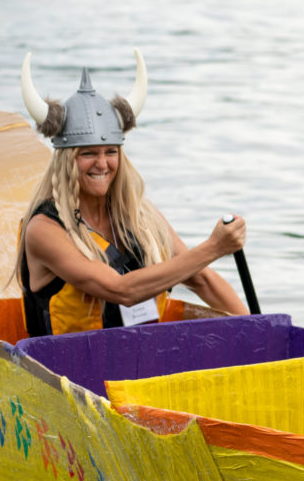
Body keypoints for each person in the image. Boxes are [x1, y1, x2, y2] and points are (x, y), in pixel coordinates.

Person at [13, 50, 248, 337]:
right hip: (65, 369)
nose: (102, 164)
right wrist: (214, 247)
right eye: (88, 154)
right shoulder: (44, 229)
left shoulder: (141, 215)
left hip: (140, 358)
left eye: (110, 152)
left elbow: (201, 279)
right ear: (66, 160)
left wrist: (256, 329)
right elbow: (121, 290)